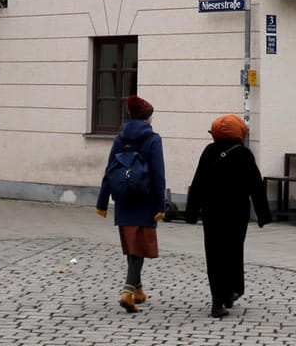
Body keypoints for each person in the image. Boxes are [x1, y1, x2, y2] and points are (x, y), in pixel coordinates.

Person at [183, 114, 272, 319]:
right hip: (236, 214)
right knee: (233, 252)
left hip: (212, 213)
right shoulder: (243, 154)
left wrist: (191, 213)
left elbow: (198, 183)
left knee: (214, 255)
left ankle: (218, 300)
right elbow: (256, 186)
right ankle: (231, 291)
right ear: (240, 132)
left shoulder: (209, 151)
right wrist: (263, 215)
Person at [96, 95, 166, 313]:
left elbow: (109, 170)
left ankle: (138, 289)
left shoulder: (120, 138)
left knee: (131, 243)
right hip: (144, 198)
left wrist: (102, 201)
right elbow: (158, 174)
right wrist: (160, 205)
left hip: (123, 197)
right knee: (140, 246)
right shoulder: (153, 139)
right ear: (147, 117)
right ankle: (127, 291)